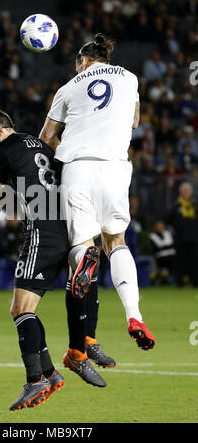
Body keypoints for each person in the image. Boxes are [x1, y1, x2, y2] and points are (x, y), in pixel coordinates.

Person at [0, 104, 111, 411]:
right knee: (39, 303)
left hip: (41, 232)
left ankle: (36, 379)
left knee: (21, 309)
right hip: (68, 228)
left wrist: (10, 195)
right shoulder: (38, 142)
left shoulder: (3, 152)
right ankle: (56, 370)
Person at [39, 32, 156, 376]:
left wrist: (71, 143)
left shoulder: (68, 87)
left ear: (83, 62)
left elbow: (46, 137)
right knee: (116, 242)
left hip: (77, 167)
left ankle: (83, 329)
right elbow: (134, 121)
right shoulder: (130, 78)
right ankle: (134, 315)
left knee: (84, 247)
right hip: (115, 168)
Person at [167, 182, 198, 287]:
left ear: (191, 193)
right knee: (179, 261)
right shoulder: (176, 206)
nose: (186, 193)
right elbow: (169, 219)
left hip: (193, 238)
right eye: (184, 191)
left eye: (188, 191)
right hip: (180, 238)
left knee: (194, 261)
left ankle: (195, 282)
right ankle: (179, 282)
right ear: (181, 193)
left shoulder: (194, 205)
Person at [149, 220, 176, 285]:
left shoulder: (167, 233)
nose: (160, 227)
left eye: (161, 225)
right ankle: (164, 279)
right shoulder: (153, 235)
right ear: (155, 227)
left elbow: (171, 244)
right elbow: (159, 247)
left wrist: (164, 246)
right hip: (160, 257)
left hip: (171, 255)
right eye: (158, 226)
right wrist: (167, 246)